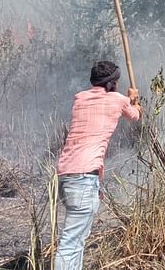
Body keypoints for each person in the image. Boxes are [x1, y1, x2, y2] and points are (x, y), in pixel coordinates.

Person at [54, 61, 141, 270]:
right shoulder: (118, 100)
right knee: (70, 244)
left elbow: (103, 110)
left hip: (66, 175)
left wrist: (127, 100)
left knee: (77, 242)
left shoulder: (80, 98)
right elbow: (135, 116)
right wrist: (134, 100)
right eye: (117, 81)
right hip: (83, 178)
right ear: (112, 83)